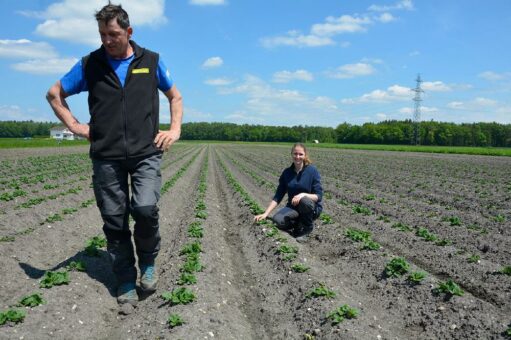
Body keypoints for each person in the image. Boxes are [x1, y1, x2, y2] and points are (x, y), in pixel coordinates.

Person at [46, 3, 183, 306]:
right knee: (114, 219)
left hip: (146, 151)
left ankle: (147, 263)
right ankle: (124, 278)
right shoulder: (90, 64)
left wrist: (174, 130)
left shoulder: (151, 61)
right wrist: (76, 126)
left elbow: (175, 96)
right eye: (102, 34)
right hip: (106, 155)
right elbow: (54, 94)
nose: (107, 40)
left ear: (128, 31)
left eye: (113, 34)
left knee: (145, 208)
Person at [254, 143, 323, 242]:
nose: (297, 157)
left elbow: (318, 196)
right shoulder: (287, 173)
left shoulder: (312, 171)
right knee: (277, 221)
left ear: (305, 155)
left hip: (311, 207)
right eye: (295, 154)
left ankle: (307, 228)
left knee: (304, 201)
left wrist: (303, 194)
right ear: (291, 154)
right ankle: (298, 224)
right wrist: (266, 213)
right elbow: (278, 195)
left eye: (300, 154)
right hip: (293, 207)